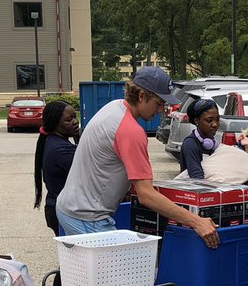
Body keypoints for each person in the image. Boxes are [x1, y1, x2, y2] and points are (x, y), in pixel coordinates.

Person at [57, 66, 219, 247]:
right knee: (126, 274)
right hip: (87, 217)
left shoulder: (114, 108)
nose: (160, 110)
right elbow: (146, 195)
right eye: (159, 103)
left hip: (71, 208)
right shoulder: (131, 131)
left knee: (91, 273)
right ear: (141, 96)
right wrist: (196, 221)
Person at [34, 99, 80, 234]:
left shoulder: (52, 141)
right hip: (64, 212)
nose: (75, 122)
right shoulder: (61, 150)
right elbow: (90, 170)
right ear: (55, 124)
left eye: (75, 117)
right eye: (69, 119)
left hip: (56, 207)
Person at [178, 98, 220, 179]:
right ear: (197, 120)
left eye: (217, 119)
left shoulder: (214, 144)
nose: (215, 124)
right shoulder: (190, 144)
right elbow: (197, 177)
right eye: (209, 120)